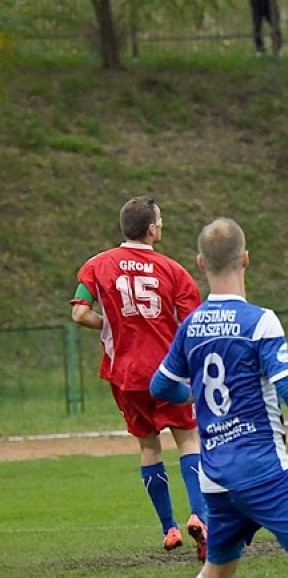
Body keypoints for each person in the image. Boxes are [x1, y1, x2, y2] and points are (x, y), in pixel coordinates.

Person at [150, 218, 288, 578]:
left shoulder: (191, 327)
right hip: (262, 470)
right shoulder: (259, 321)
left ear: (200, 262)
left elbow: (160, 387)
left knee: (218, 569)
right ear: (245, 258)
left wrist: (195, 396)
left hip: (214, 478)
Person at [70, 196, 208, 560]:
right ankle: (200, 516)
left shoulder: (96, 266)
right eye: (159, 220)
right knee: (189, 442)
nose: (161, 225)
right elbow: (190, 324)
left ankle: (170, 528)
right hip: (169, 373)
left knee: (149, 448)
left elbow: (80, 314)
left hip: (127, 375)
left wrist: (110, 326)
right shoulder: (173, 271)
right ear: (151, 229)